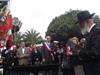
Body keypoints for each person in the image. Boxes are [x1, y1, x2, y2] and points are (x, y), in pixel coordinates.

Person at [76, 10, 100, 75]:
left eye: (81, 23)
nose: (80, 26)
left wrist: (80, 53)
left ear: (87, 21)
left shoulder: (97, 32)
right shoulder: (91, 33)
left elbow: (95, 53)